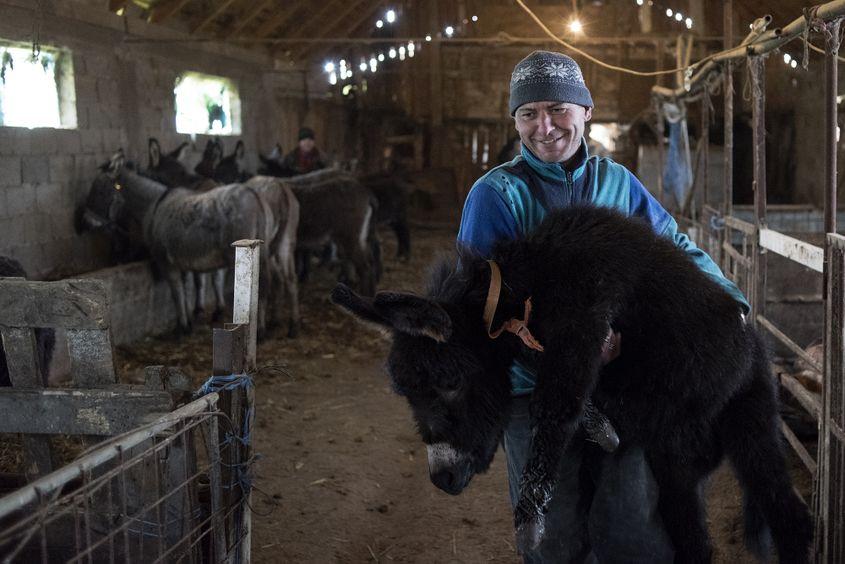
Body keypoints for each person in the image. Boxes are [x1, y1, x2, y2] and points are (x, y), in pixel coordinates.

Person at [456, 50, 750, 563]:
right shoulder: (496, 195)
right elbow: (480, 306)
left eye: (557, 109)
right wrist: (563, 349)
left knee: (630, 523)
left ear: (586, 111)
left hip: (621, 386)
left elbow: (674, 247)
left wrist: (723, 300)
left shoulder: (618, 183)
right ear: (515, 121)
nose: (544, 127)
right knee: (555, 536)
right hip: (535, 394)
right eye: (528, 114)